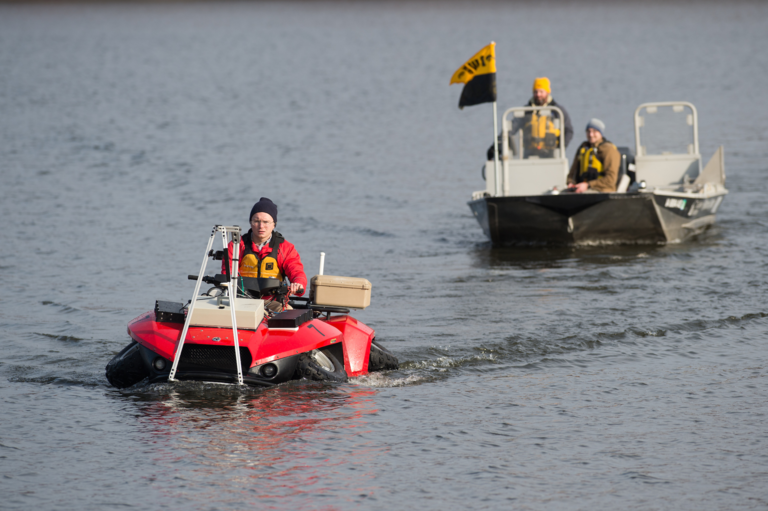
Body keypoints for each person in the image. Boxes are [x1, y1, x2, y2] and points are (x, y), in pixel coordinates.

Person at [223, 197, 307, 297]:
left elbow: (296, 270)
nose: (261, 226)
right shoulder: (236, 245)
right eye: (256, 221)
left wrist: (298, 283)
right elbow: (228, 274)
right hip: (242, 301)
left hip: (273, 303)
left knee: (291, 312)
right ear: (250, 223)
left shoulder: (286, 248)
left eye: (266, 222)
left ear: (274, 225)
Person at [487, 77, 574, 160]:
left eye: (541, 91)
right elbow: (510, 129)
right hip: (529, 156)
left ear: (548, 92)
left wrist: (561, 148)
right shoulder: (526, 111)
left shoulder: (557, 111)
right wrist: (496, 146)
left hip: (551, 155)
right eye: (535, 92)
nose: (538, 95)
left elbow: (569, 131)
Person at [566, 119, 620, 193]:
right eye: (588, 131)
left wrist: (588, 185)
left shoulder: (608, 150)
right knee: (561, 195)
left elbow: (611, 179)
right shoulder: (583, 148)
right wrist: (570, 183)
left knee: (584, 195)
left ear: (601, 133)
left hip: (602, 190)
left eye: (595, 131)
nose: (591, 135)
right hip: (583, 187)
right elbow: (573, 172)